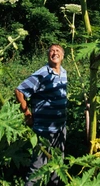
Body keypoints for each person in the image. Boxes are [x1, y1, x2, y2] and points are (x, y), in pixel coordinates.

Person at [15, 44, 67, 186]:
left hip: (60, 127)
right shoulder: (42, 73)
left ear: (62, 56)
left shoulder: (63, 72)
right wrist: (27, 113)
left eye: (58, 51)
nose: (55, 53)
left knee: (58, 164)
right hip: (44, 129)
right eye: (52, 51)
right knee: (38, 165)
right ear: (48, 55)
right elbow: (20, 91)